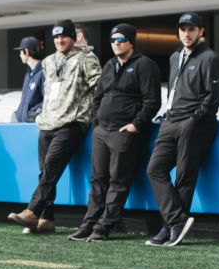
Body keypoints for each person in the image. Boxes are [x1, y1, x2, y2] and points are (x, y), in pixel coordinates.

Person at [8, 20, 100, 234]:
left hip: (72, 123)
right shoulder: (48, 62)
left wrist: (90, 116)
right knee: (45, 173)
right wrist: (40, 115)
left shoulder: (86, 58)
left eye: (64, 36)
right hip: (48, 122)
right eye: (56, 37)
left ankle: (32, 211)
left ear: (73, 38)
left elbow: (99, 89)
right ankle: (46, 219)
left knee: (50, 170)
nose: (60, 40)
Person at [70, 24, 161, 242]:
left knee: (118, 182)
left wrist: (135, 125)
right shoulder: (109, 65)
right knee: (98, 180)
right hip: (102, 130)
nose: (116, 43)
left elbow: (152, 101)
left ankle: (103, 227)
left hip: (125, 132)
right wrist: (96, 121)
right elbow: (98, 97)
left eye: (121, 39)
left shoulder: (145, 65)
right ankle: (89, 224)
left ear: (131, 41)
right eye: (113, 40)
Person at [145, 12, 219, 247]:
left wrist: (194, 118)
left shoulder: (210, 58)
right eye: (182, 29)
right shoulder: (174, 57)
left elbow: (215, 96)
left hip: (194, 123)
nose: (186, 34)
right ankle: (175, 222)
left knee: (184, 176)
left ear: (201, 32)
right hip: (171, 121)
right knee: (154, 169)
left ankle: (170, 226)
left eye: (191, 29)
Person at [13, 36, 44, 124]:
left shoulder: (43, 72)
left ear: (26, 51)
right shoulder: (28, 73)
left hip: (33, 126)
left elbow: (47, 100)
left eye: (20, 52)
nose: (19, 55)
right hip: (23, 124)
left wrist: (33, 115)